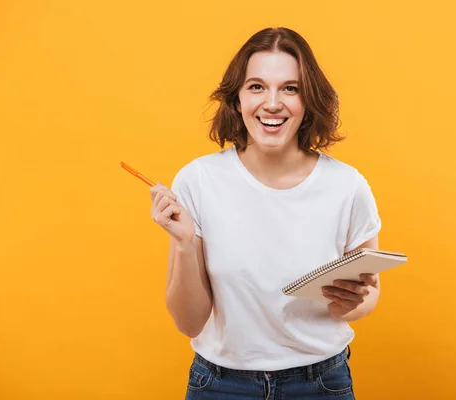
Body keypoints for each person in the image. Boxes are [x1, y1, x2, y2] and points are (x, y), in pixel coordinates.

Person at [149, 27, 382, 400]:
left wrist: (352, 304)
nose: (272, 103)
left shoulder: (347, 186)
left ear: (308, 101)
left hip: (320, 384)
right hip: (221, 385)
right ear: (237, 99)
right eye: (256, 87)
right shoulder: (198, 180)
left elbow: (368, 294)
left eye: (290, 88)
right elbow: (188, 322)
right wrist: (183, 243)